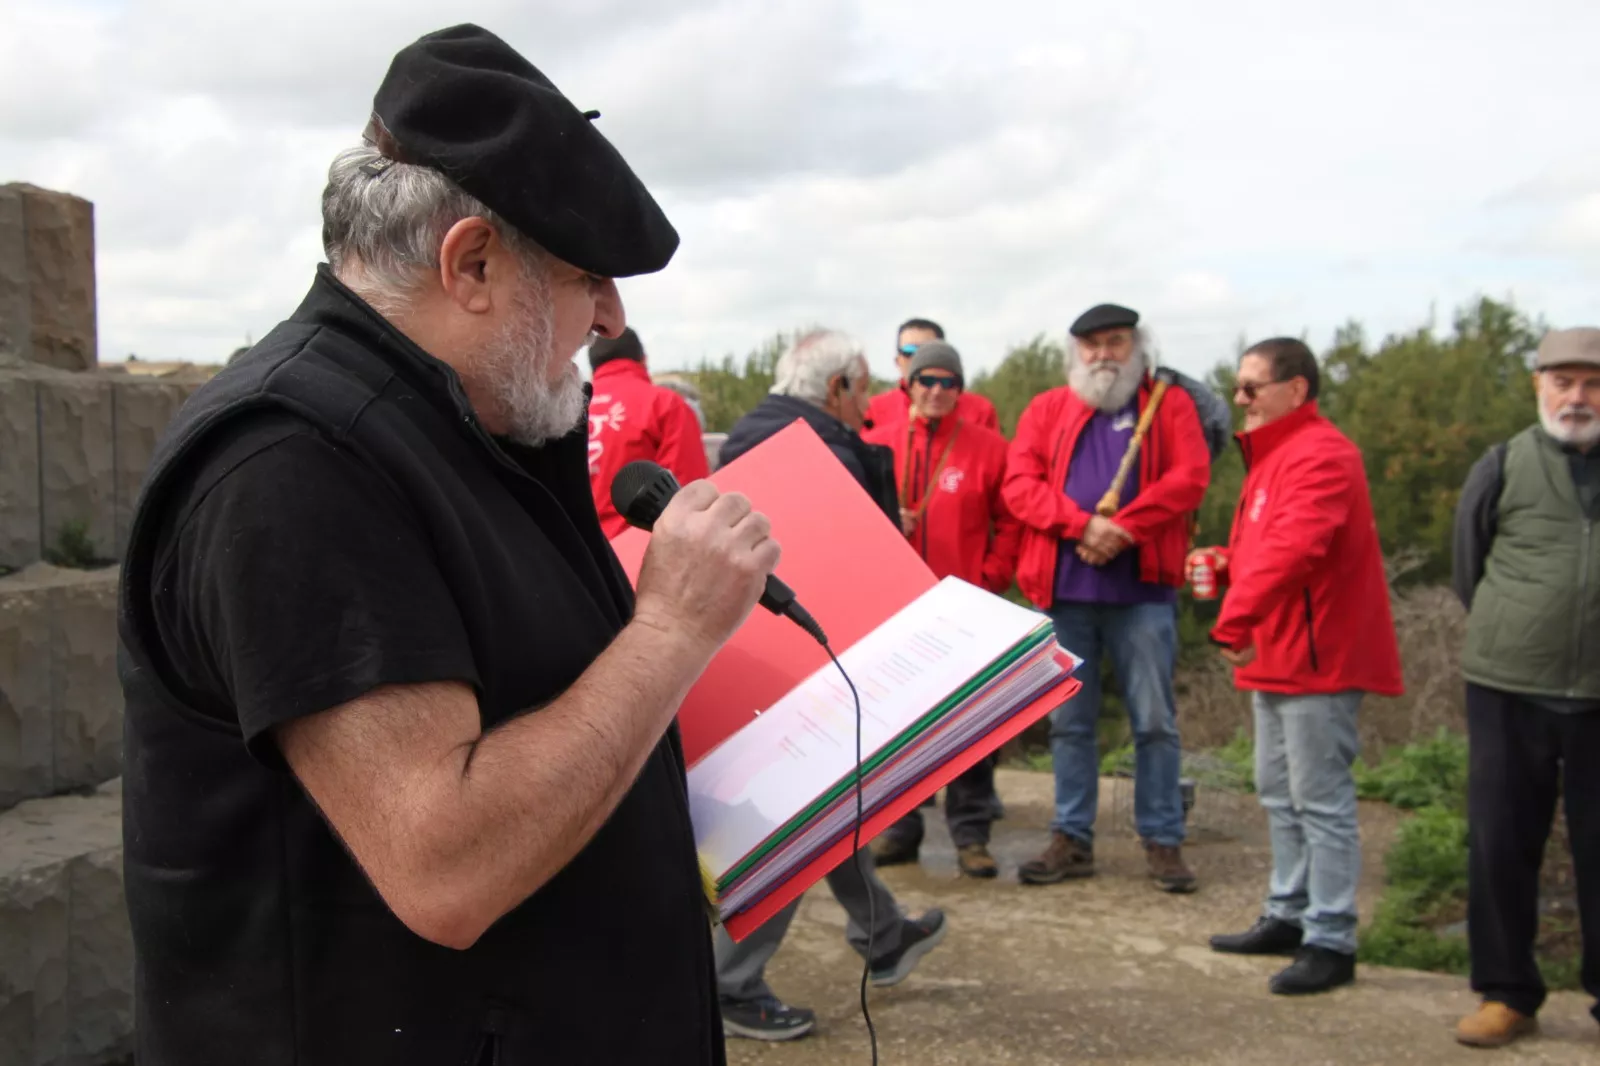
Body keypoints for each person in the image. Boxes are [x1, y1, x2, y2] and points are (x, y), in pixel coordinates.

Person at [115, 25, 764, 1065]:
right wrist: (675, 627)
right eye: (585, 276)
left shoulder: (466, 428)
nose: (607, 316)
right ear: (470, 264)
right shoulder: (293, 465)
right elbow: (445, 863)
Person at [712, 329, 948, 1042]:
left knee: (828, 801)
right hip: (810, 655)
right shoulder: (824, 451)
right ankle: (730, 980)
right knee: (800, 811)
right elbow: (844, 563)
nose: (872, 399)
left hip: (763, 651)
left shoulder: (754, 433)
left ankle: (882, 934)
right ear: (838, 387)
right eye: (866, 384)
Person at [1203, 337, 1403, 996]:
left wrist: (1234, 617)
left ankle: (1332, 938)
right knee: (1277, 791)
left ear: (1296, 389)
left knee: (1321, 800)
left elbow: (1295, 550)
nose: (1240, 399)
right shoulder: (1277, 455)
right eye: (1239, 386)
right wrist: (1227, 564)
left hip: (1319, 657)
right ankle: (1287, 915)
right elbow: (1266, 548)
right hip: (1281, 651)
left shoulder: (1322, 454)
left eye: (1251, 387)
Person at [1004, 302, 1209, 893]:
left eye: (1115, 342)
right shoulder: (1048, 408)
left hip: (1142, 589)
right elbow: (1020, 485)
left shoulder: (1169, 406)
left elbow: (1190, 477)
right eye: (1091, 345)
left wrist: (1125, 527)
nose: (1102, 355)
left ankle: (1163, 838)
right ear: (1075, 353)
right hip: (1065, 589)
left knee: (1154, 721)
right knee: (1070, 721)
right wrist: (1080, 526)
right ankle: (1072, 836)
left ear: (1135, 347)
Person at [1450, 326, 1600, 1047]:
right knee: (1502, 843)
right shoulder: (1502, 463)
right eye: (1563, 382)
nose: (1578, 397)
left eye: (1593, 384)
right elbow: (1467, 567)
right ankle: (1507, 993)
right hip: (1509, 687)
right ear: (1538, 384)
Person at [863, 340, 1021, 878]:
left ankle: (971, 835)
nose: (936, 391)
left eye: (947, 383)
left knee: (973, 724)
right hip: (895, 609)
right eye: (926, 381)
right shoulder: (876, 443)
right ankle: (899, 831)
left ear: (961, 388)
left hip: (967, 606)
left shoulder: (990, 448)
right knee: (896, 726)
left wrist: (992, 576)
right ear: (907, 384)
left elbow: (1013, 521)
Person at [586, 327, 710, 538]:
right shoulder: (664, 405)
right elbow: (691, 494)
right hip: (640, 555)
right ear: (643, 360)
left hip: (574, 558)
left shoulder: (564, 411)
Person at [865, 317, 1001, 432]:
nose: (919, 358)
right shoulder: (873, 411)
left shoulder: (979, 411)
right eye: (909, 351)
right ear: (897, 361)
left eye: (928, 350)